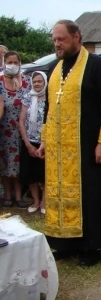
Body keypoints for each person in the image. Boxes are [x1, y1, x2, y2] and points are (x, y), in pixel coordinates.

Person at [37, 20, 101, 267]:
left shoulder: (97, 66)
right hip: (58, 150)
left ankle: (90, 246)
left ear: (77, 37)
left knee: (90, 195)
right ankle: (65, 243)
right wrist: (44, 140)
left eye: (61, 39)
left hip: (87, 146)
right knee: (61, 194)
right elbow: (48, 108)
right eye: (54, 39)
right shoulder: (54, 68)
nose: (57, 43)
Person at [0, 51, 31, 209]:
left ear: (20, 63)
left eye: (15, 62)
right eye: (9, 62)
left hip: (22, 129)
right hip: (4, 128)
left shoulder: (26, 81)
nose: (12, 65)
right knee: (5, 162)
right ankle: (6, 194)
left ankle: (18, 195)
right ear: (4, 63)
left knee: (19, 163)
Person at [19, 71, 47, 214]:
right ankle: (35, 200)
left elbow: (52, 121)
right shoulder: (27, 97)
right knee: (30, 174)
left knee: (45, 174)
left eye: (39, 81)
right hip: (29, 142)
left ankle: (44, 202)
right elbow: (22, 121)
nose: (36, 84)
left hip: (46, 143)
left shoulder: (50, 98)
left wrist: (44, 143)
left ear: (45, 82)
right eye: (34, 81)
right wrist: (28, 144)